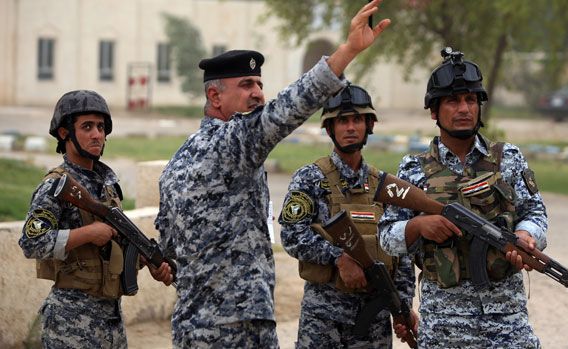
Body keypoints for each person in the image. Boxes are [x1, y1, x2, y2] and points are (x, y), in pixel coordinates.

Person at [154, 1, 391, 347]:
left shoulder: (180, 159)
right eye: (246, 84)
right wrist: (348, 50)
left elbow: (170, 249)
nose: (258, 94)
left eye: (259, 84)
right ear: (214, 96)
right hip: (238, 328)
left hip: (196, 326)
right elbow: (286, 110)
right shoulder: (231, 144)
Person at [379, 47, 548, 348]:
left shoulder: (508, 158)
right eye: (453, 101)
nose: (464, 109)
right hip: (444, 326)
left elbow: (535, 213)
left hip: (506, 322)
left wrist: (526, 235)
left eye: (471, 100)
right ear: (434, 111)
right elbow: (386, 237)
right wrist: (418, 227)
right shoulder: (412, 169)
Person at [18, 90, 173, 349]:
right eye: (87, 126)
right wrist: (88, 233)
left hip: (111, 320)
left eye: (101, 127)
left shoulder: (109, 188)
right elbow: (30, 243)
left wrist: (146, 261)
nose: (97, 135)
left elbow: (110, 254)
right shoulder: (56, 186)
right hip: (70, 322)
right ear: (64, 133)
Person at [279, 84, 418, 348]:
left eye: (357, 120)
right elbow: (292, 235)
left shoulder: (384, 186)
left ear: (369, 125)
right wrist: (339, 259)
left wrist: (403, 305)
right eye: (342, 121)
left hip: (374, 322)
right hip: (322, 319)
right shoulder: (311, 178)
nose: (350, 127)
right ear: (330, 128)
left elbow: (401, 251)